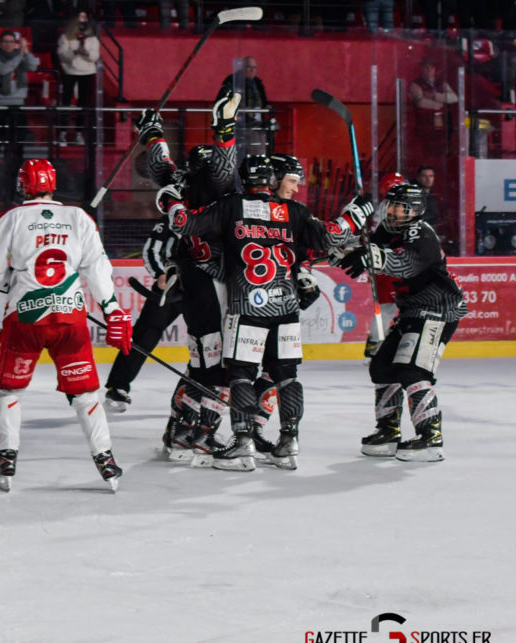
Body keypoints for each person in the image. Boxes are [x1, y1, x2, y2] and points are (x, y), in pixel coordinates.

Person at [158, 155, 373, 471]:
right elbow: (330, 236)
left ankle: (243, 445)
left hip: (248, 306)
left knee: (242, 375)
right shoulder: (293, 211)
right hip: (285, 307)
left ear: (242, 180)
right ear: (272, 181)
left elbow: (184, 224)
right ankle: (289, 444)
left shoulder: (231, 206)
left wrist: (172, 201)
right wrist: (354, 215)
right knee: (287, 378)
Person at [0, 158, 132, 492]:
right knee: (86, 395)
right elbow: (98, 270)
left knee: (9, 391)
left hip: (24, 320)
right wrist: (113, 311)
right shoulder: (78, 217)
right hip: (70, 319)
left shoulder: (10, 218)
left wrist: (21, 286)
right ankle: (106, 461)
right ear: (53, 183)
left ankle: (7, 459)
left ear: (21, 185)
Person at [103, 88, 240, 463]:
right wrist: (225, 130)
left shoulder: (182, 183)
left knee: (199, 361)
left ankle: (179, 429)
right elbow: (224, 170)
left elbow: (163, 165)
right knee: (213, 365)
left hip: (190, 277)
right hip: (207, 282)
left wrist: (152, 134)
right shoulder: (216, 190)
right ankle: (194, 430)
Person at [337, 183, 466, 462]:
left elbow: (406, 264)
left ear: (416, 210)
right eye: (391, 205)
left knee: (412, 370)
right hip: (411, 310)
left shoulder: (421, 232)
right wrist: (352, 226)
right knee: (382, 367)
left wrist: (372, 256)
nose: (394, 211)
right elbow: (364, 251)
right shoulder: (386, 230)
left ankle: (431, 436)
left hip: (438, 309)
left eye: (401, 207)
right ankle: (388, 430)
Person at [250, 153, 320, 457]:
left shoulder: (297, 212)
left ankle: (258, 432)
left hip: (280, 308)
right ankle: (195, 429)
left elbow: (306, 252)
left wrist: (304, 274)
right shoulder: (248, 208)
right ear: (274, 178)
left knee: (277, 371)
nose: (295, 188)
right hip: (249, 306)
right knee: (238, 373)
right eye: (291, 180)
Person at [0, 30, 40, 201]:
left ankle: (17, 185)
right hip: (0, 108)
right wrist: (20, 55)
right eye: (6, 42)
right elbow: (4, 70)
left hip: (18, 107)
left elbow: (34, 65)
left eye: (12, 42)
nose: (9, 45)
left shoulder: (21, 57)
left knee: (18, 149)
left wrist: (26, 51)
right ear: (1, 44)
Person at [361, 171, 408, 361]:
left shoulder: (387, 207)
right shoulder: (388, 208)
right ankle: (375, 346)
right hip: (386, 264)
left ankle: (381, 344)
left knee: (397, 306)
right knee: (387, 308)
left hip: (390, 262)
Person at [56, 11, 99, 147]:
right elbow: (62, 55)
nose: (83, 20)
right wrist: (75, 52)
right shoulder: (66, 37)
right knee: (66, 103)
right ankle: (62, 133)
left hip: (87, 72)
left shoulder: (92, 38)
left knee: (83, 104)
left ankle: (79, 134)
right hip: (70, 72)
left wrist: (85, 52)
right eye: (80, 17)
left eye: (85, 17)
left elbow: (95, 56)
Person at [409, 58, 457, 166]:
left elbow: (454, 97)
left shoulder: (442, 83)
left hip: (444, 123)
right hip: (426, 123)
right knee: (427, 150)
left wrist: (435, 96)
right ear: (422, 69)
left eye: (431, 68)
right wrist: (439, 104)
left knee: (444, 147)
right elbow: (420, 102)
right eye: (426, 68)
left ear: (435, 69)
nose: (429, 70)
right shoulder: (415, 84)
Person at [220, 56, 270, 155]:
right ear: (242, 67)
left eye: (254, 68)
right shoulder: (232, 80)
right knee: (236, 155)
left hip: (256, 126)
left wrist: (268, 108)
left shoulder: (258, 83)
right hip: (238, 125)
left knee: (258, 154)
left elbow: (264, 101)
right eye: (249, 67)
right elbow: (224, 100)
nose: (252, 70)